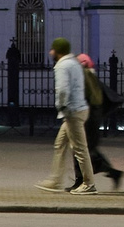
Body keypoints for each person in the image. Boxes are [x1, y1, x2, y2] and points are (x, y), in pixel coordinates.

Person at [37, 37, 95, 194]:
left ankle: (89, 184)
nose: (50, 52)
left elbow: (62, 89)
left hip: (72, 111)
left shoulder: (62, 66)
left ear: (58, 51)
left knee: (80, 149)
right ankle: (55, 180)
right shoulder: (75, 63)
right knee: (60, 144)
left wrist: (61, 105)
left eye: (52, 49)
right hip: (79, 108)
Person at [80, 52, 123, 192]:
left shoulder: (87, 76)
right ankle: (110, 173)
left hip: (90, 118)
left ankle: (110, 173)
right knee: (85, 149)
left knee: (85, 150)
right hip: (92, 117)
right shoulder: (90, 76)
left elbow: (91, 100)